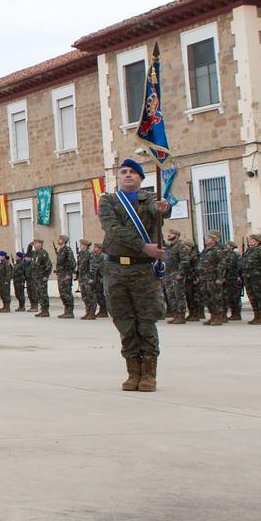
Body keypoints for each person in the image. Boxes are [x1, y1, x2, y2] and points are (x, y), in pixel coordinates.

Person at [99, 159, 171, 392]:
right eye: (124, 172)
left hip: (142, 270)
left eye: (133, 173)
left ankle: (149, 373)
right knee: (124, 321)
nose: (128, 175)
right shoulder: (108, 200)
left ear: (141, 178)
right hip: (116, 269)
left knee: (146, 321)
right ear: (118, 177)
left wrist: (164, 208)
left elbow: (158, 210)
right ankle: (133, 372)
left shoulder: (149, 199)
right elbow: (113, 229)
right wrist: (143, 246)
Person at [197, 231, 226, 325]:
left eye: (208, 238)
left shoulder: (217, 250)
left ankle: (218, 317)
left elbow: (221, 264)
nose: (206, 239)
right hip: (204, 278)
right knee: (207, 298)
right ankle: (213, 316)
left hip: (213, 278)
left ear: (214, 240)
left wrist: (219, 277)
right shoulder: (205, 250)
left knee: (215, 297)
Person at [53, 235, 76, 319]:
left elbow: (72, 263)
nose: (58, 240)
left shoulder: (67, 250)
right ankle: (66, 310)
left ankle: (70, 311)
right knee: (62, 293)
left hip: (66, 275)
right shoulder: (60, 250)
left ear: (64, 240)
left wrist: (69, 274)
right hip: (60, 274)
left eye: (60, 239)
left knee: (67, 293)